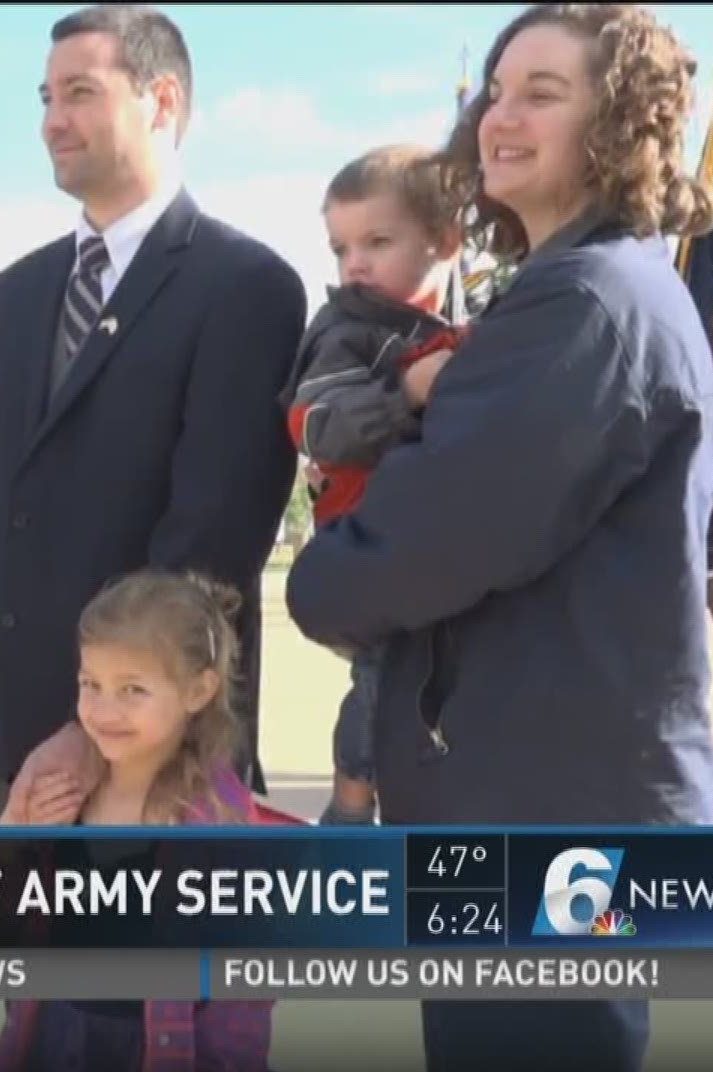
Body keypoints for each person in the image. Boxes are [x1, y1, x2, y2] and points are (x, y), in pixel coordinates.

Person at [285, 4, 713, 1072]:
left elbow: (420, 547)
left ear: (617, 124)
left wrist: (316, 578)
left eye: (544, 92)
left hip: (554, 815)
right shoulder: (577, 289)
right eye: (496, 90)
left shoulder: (587, 304)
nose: (499, 117)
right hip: (534, 798)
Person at [0, 3, 306, 825]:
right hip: (7, 758)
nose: (53, 121)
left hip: (157, 771)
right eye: (45, 98)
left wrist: (93, 731)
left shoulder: (246, 287)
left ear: (161, 103)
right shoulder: (13, 295)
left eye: (80, 93)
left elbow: (210, 542)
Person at [0, 569, 275, 1072]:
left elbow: (243, 997)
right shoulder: (67, 793)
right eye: (90, 684)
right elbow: (5, 921)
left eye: (132, 690)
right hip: (52, 1045)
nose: (103, 710)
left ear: (198, 691)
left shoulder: (219, 823)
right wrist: (12, 834)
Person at [282, 145, 467, 827]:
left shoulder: (448, 330)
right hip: (366, 542)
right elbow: (318, 424)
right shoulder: (346, 332)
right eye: (341, 247)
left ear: (444, 240)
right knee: (381, 680)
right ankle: (349, 806)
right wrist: (406, 391)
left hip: (422, 542)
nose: (354, 263)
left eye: (377, 242)